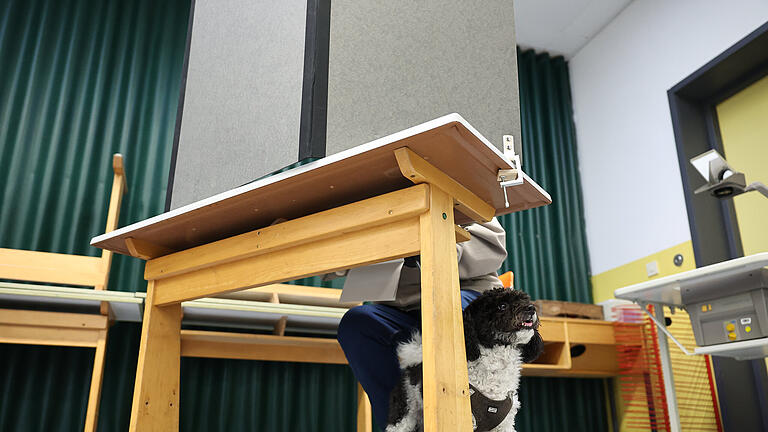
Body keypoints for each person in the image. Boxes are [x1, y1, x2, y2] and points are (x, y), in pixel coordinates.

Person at [336, 218, 507, 428]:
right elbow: (334, 261)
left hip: (463, 295)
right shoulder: (361, 195)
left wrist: (433, 246)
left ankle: (460, 422)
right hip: (401, 309)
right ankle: (401, 423)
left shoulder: (466, 186)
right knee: (357, 324)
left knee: (446, 310)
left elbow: (494, 246)